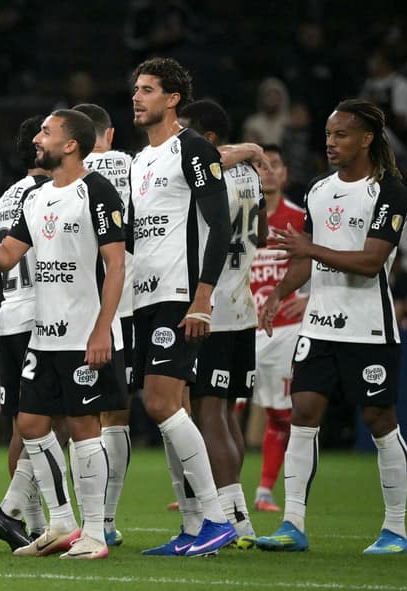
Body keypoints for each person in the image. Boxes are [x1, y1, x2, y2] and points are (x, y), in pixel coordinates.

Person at [256, 99, 407, 555]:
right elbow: (308, 257)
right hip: (320, 327)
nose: (331, 142)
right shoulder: (319, 190)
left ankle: (396, 529)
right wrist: (279, 293)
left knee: (378, 419)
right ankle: (292, 524)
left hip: (369, 329)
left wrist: (310, 248)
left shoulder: (389, 192)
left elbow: (369, 261)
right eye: (328, 135)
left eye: (341, 134)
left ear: (366, 139)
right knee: (302, 412)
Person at [0, 108, 128, 560]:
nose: (37, 139)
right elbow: (7, 257)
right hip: (43, 336)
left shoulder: (97, 192)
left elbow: (117, 265)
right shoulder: (38, 196)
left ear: (70, 145)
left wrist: (103, 329)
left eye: (46, 132)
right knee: (30, 423)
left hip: (84, 334)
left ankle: (95, 534)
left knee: (84, 427)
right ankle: (62, 521)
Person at [127, 57, 237, 557]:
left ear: (172, 100)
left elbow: (220, 225)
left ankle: (217, 518)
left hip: (178, 294)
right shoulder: (139, 161)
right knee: (173, 407)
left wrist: (202, 297)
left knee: (159, 403)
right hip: (145, 297)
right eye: (136, 89)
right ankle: (194, 528)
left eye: (147, 90)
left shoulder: (191, 148)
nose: (137, 96)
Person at [176, 98, 269, 546]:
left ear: (208, 140)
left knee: (208, 411)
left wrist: (243, 147)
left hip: (210, 305)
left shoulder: (210, 173)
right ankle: (239, 513)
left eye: (188, 134)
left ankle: (235, 521)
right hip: (242, 302)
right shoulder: (251, 175)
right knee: (226, 411)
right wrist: (248, 150)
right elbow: (263, 234)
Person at [0, 115, 52, 550]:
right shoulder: (53, 195)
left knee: (21, 427)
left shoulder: (6, 197)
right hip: (43, 317)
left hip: (9, 315)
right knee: (56, 422)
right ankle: (20, 514)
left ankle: (29, 522)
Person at [72, 102, 134, 548]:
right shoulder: (134, 166)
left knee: (75, 415)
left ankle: (63, 516)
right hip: (128, 303)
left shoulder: (68, 177)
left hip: (75, 307)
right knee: (115, 413)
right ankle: (105, 518)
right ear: (108, 134)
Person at [249, 144, 307, 512]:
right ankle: (209, 492)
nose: (268, 171)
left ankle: (265, 490)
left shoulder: (300, 217)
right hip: (241, 325)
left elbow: (323, 260)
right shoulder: (240, 216)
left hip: (285, 329)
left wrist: (312, 298)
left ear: (285, 173)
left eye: (275, 165)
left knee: (280, 412)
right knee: (221, 409)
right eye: (261, 165)